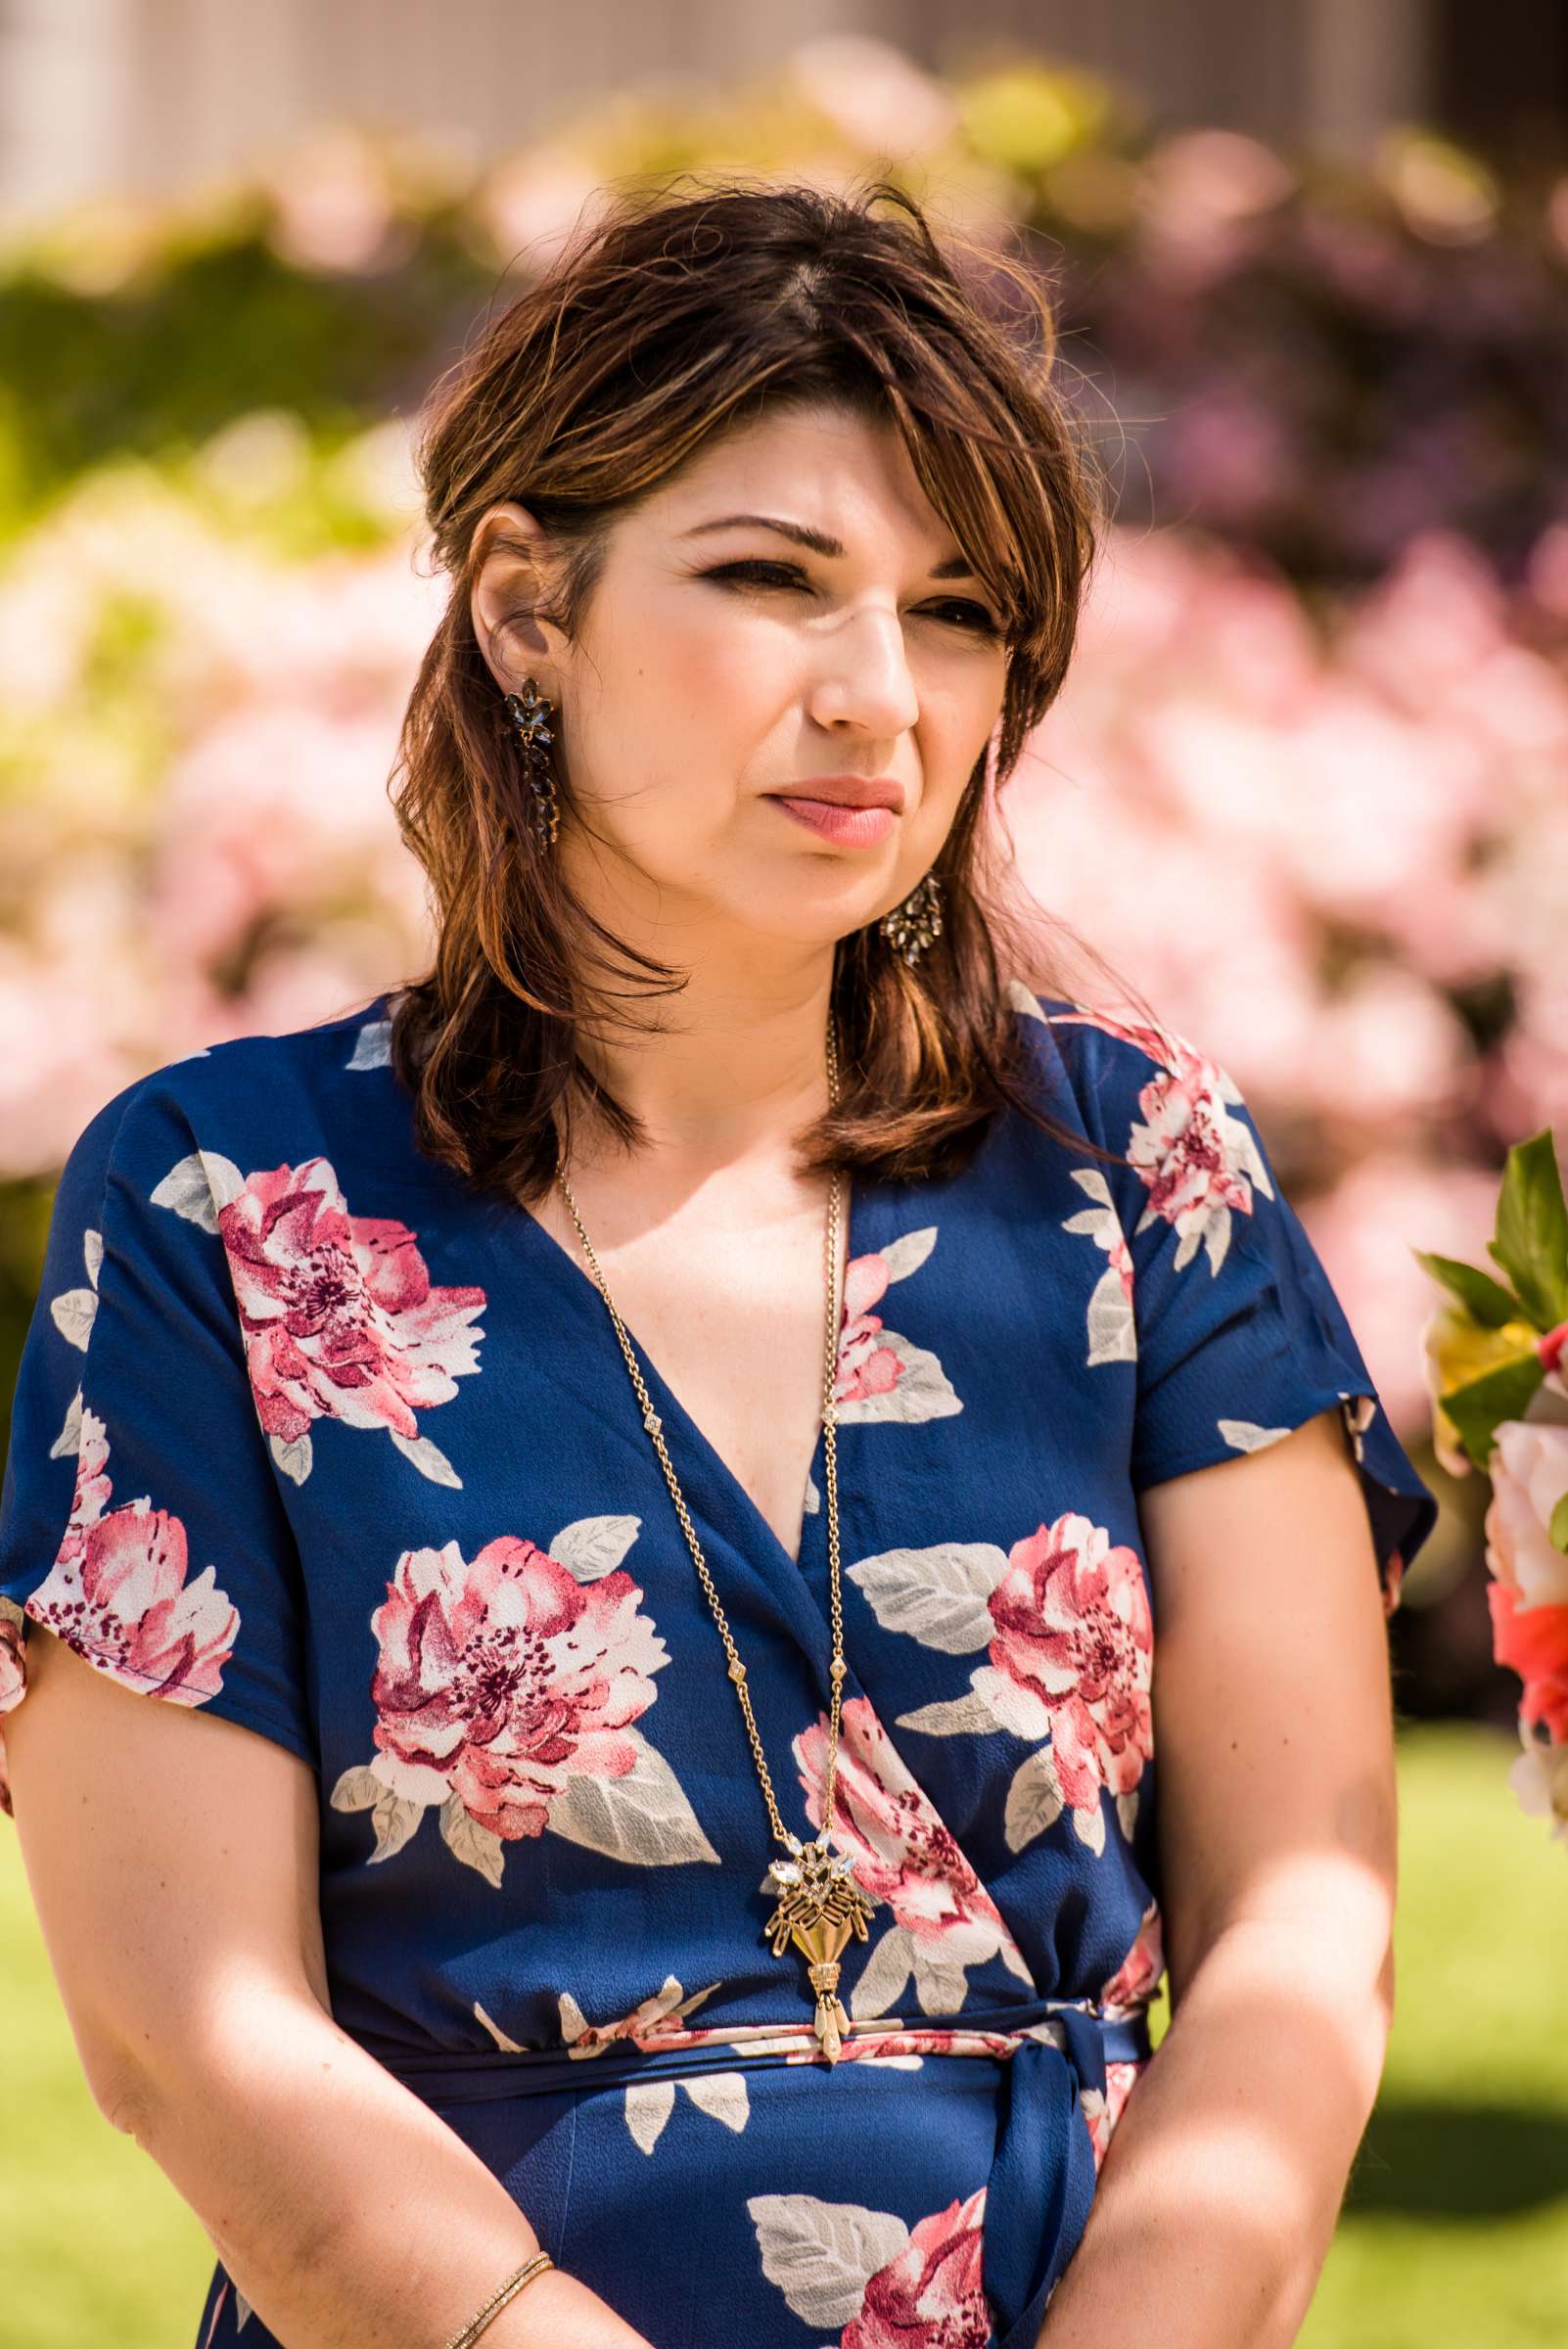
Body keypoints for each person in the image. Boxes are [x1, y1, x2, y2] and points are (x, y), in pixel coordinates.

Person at [0, 177, 1438, 2349]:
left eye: (956, 613)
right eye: (774, 580)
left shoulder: (1145, 1173)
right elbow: (192, 2032)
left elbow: (1308, 1942)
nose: (878, 695)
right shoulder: (219, 1207)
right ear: (521, 612)